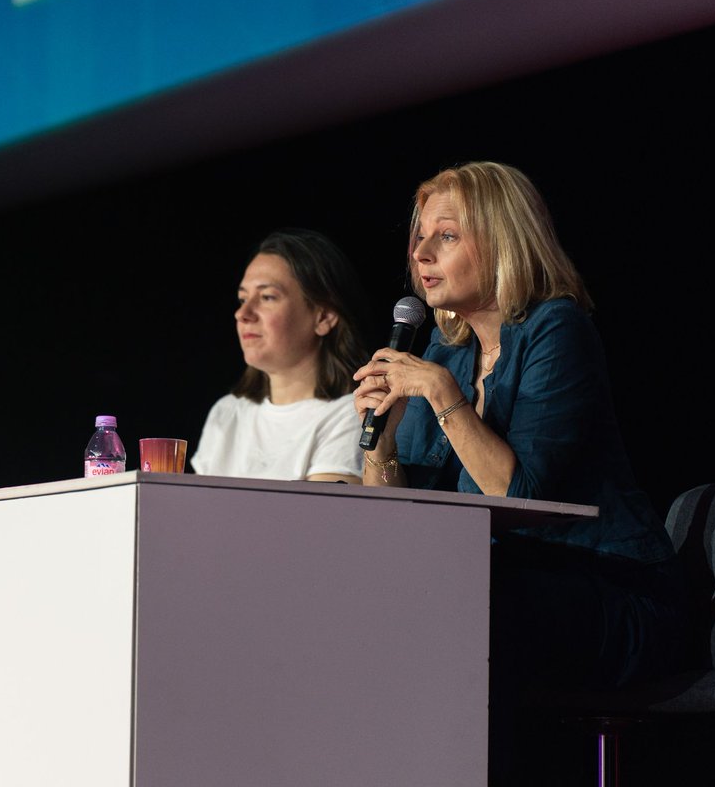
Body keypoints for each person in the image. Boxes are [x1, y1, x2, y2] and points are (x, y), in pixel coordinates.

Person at [352, 162, 686, 782]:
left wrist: (443, 394)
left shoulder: (557, 329)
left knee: (458, 614)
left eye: (445, 236)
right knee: (375, 602)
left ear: (503, 241)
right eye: (418, 237)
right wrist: (384, 441)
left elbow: (522, 493)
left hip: (617, 591)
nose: (421, 253)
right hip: (511, 588)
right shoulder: (444, 350)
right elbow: (398, 521)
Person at [190, 228, 372, 483]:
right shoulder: (227, 413)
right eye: (243, 298)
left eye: (267, 297)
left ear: (323, 317)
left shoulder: (351, 415)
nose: (243, 314)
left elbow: (321, 520)